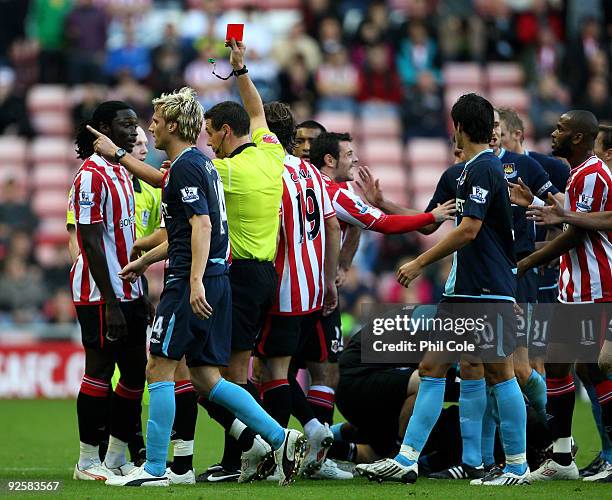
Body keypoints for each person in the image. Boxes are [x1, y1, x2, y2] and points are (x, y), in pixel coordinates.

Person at [91, 45, 307, 488]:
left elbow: (202, 224)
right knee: (208, 378)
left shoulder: (190, 166)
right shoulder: (207, 165)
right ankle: (279, 436)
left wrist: (190, 283)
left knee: (159, 367)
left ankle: (154, 470)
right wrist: (147, 258)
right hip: (223, 279)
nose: (149, 127)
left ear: (172, 125)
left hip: (196, 281)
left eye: (155, 120)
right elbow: (178, 214)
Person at [355, 93, 529, 486]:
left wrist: (419, 263)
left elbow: (469, 230)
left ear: (460, 128)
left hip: (487, 288)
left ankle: (517, 466)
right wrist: (385, 205)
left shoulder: (484, 168)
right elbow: (433, 221)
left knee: (500, 371)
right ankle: (406, 458)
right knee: (432, 366)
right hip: (467, 289)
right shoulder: (469, 171)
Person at [253, 101, 347, 480]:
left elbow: (269, 230)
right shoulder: (309, 171)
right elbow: (334, 227)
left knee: (269, 371)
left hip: (281, 290)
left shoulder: (268, 173)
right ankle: (312, 430)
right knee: (287, 369)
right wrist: (328, 279)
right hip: (311, 292)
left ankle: (281, 456)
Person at [523, 117, 612, 482]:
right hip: (574, 287)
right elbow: (573, 227)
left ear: (578, 137)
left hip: (592, 287)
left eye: (560, 129)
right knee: (565, 367)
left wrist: (524, 263)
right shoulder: (578, 173)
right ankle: (561, 459)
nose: (553, 133)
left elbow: (575, 234)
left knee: (592, 367)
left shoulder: (590, 174)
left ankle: (575, 459)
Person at [67, 124, 160, 467]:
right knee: (100, 370)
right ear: (104, 131)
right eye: (125, 124)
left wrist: (138, 291)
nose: (135, 135)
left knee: (136, 374)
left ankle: (116, 457)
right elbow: (90, 242)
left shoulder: (121, 171)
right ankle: (87, 461)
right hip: (100, 293)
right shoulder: (91, 175)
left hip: (128, 288)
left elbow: (124, 241)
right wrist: (111, 300)